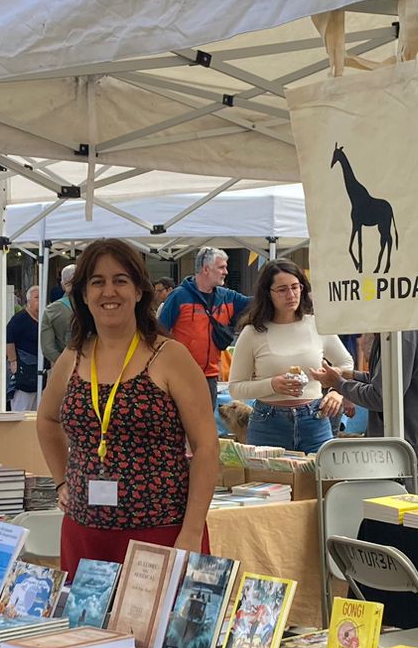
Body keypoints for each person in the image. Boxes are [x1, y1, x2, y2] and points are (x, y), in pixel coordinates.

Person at [37, 239, 219, 575]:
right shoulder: (72, 358)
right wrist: (62, 482)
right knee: (87, 630)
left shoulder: (170, 357)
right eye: (97, 282)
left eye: (120, 280)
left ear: (138, 291)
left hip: (160, 533)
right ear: (83, 295)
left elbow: (207, 447)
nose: (109, 291)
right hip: (85, 532)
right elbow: (47, 421)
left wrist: (192, 530)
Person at [225, 261, 351, 454]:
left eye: (296, 287)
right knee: (267, 483)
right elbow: (235, 388)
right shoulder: (252, 332)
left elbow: (346, 363)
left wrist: (337, 391)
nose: (291, 295)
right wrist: (271, 385)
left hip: (315, 419)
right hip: (268, 422)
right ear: (268, 293)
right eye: (282, 290)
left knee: (318, 481)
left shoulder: (317, 325)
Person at [321, 330, 418, 494]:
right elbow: (393, 381)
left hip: (403, 444)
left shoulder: (404, 334)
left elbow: (382, 396)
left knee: (403, 512)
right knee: (417, 509)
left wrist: (339, 384)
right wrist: (350, 375)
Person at [156, 247, 246, 405]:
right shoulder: (179, 296)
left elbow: (256, 303)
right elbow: (159, 333)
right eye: (221, 267)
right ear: (206, 269)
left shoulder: (227, 296)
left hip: (210, 377)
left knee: (206, 425)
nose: (226, 272)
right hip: (182, 375)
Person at [6, 286, 42, 412]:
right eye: (37, 297)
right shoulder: (19, 319)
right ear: (29, 301)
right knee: (22, 409)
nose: (40, 300)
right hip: (24, 368)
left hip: (41, 370)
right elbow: (8, 339)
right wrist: (13, 361)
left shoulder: (44, 318)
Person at [40, 264, 76, 370]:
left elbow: (47, 348)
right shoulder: (95, 306)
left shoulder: (52, 310)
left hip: (63, 369)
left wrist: (62, 362)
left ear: (63, 284)